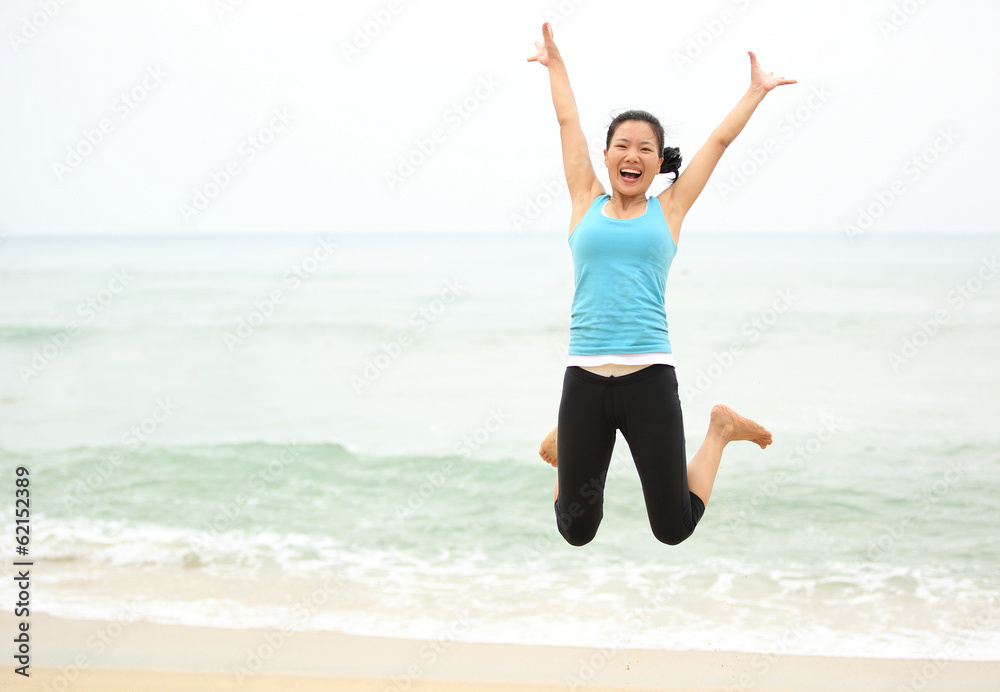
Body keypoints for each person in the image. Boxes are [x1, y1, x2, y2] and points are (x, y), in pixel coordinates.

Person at [528, 22, 794, 547]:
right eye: (622, 146)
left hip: (649, 378)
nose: (633, 155)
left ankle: (720, 431)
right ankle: (567, 447)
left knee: (673, 528)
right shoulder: (584, 198)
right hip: (583, 376)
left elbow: (718, 141)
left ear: (657, 163)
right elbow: (567, 121)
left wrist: (756, 91)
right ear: (605, 156)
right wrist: (555, 62)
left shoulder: (669, 209)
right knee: (575, 530)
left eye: (646, 149)